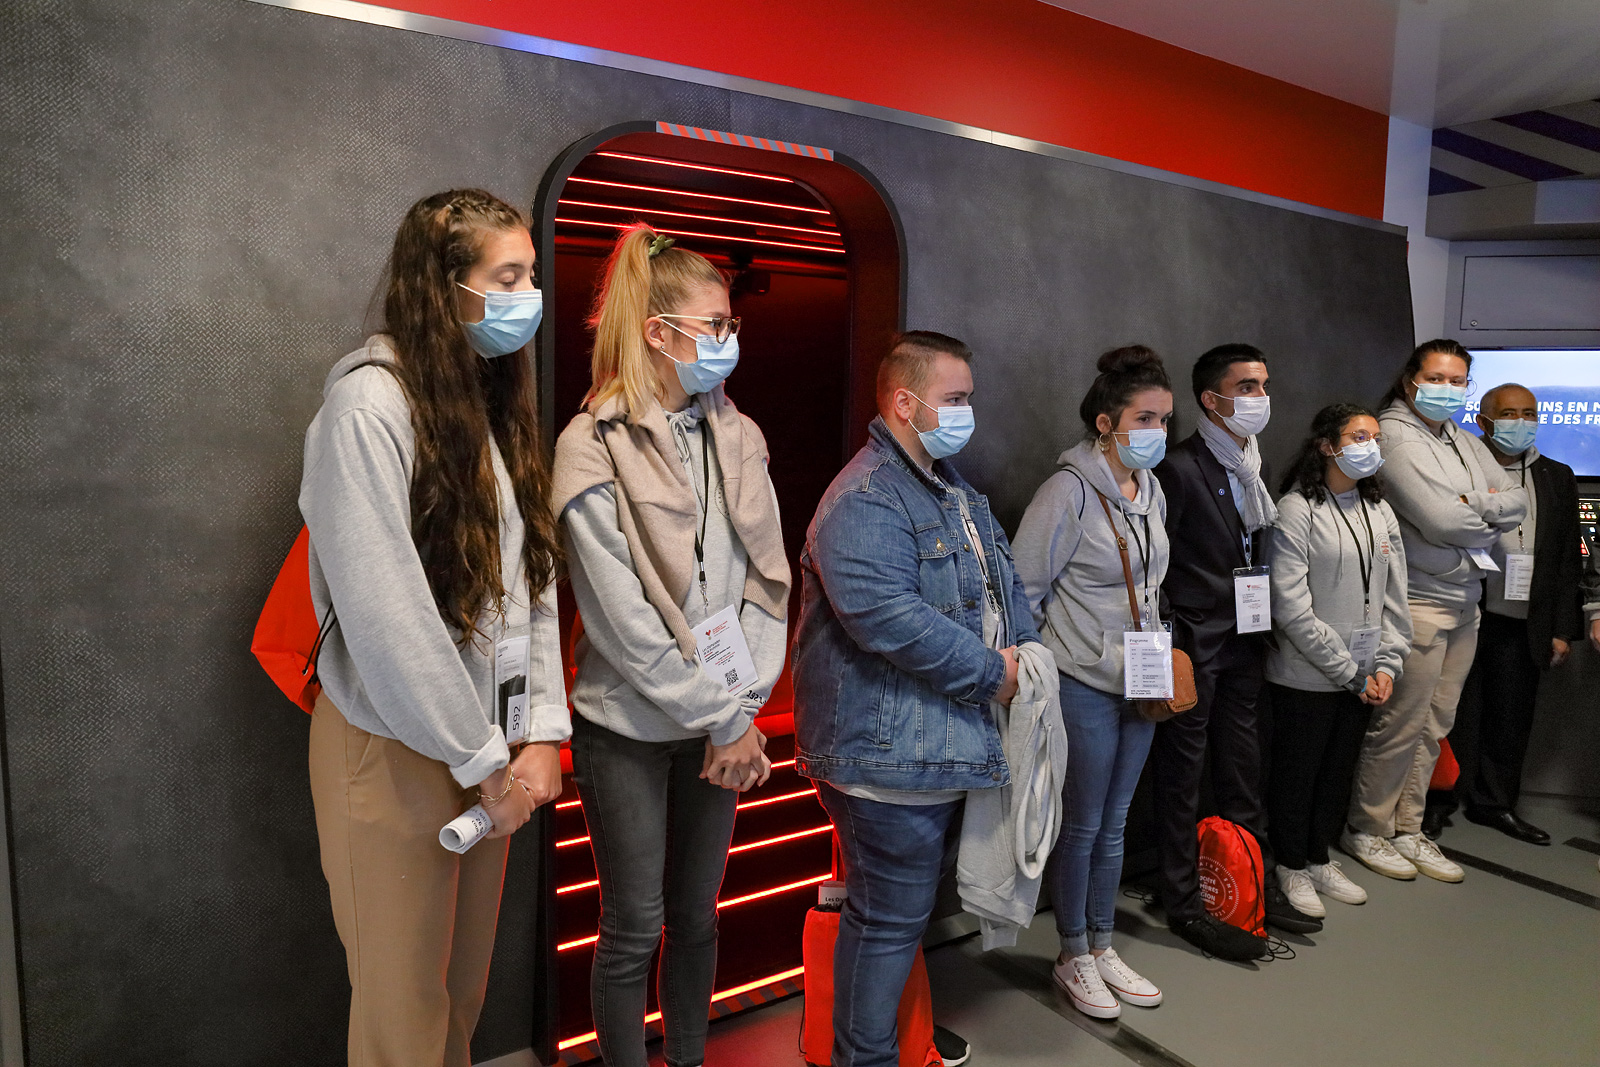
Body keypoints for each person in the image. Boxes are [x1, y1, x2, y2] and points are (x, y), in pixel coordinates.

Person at [301, 188, 568, 1066]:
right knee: (403, 1011)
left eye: (530, 275)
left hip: (485, 746)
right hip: (395, 744)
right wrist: (487, 761)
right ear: (443, 286)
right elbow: (389, 619)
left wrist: (540, 730)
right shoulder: (367, 409)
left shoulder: (485, 404)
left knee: (459, 995)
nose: (528, 296)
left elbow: (529, 581)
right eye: (508, 277)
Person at [550, 225, 790, 1067]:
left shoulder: (740, 434)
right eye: (715, 324)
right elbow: (623, 623)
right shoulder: (590, 443)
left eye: (730, 324)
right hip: (625, 727)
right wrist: (725, 718)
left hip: (720, 723)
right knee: (633, 926)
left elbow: (767, 579)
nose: (729, 339)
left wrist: (740, 709)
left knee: (696, 917)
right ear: (659, 332)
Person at [792, 331, 1038, 1067]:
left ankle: (883, 1047)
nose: (967, 413)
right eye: (954, 399)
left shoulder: (952, 488)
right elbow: (888, 619)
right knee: (887, 922)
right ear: (905, 402)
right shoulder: (866, 497)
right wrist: (994, 673)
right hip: (886, 756)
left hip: (937, 745)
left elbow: (1004, 585)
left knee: (897, 918)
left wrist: (1027, 653)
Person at [1013, 345, 1175, 1017]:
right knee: (1081, 824)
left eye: (1164, 419)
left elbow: (1150, 583)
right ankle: (1072, 952)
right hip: (1082, 682)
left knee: (1116, 822)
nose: (1158, 431)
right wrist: (1044, 665)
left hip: (1142, 678)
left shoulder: (1150, 488)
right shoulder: (1067, 491)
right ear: (1106, 423)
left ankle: (1102, 943)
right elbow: (1024, 589)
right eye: (1145, 419)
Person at [1151, 343, 1321, 957]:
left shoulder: (1251, 461)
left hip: (1246, 639)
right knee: (1182, 778)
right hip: (1195, 643)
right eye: (1247, 387)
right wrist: (1172, 641)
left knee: (1244, 768)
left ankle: (1254, 882)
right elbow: (1157, 565)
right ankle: (1183, 901)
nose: (1260, 398)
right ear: (1211, 398)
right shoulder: (1179, 468)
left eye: (1263, 385)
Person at [1342, 340, 1527, 882]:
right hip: (1418, 602)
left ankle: (1407, 826)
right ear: (1410, 382)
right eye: (1437, 378)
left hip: (1465, 599)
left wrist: (1475, 504)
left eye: (1457, 381)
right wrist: (1479, 512)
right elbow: (1442, 521)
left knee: (1435, 723)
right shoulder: (1395, 435)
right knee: (1400, 724)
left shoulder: (1460, 437)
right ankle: (1367, 828)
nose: (1448, 389)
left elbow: (1514, 498)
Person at [1264, 404, 1412, 920]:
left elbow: (1396, 597)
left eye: (1375, 437)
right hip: (1307, 676)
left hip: (1364, 676)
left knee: (1336, 774)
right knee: (1297, 775)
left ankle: (1318, 858)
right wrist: (1349, 672)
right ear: (1327, 446)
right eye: (1358, 436)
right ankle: (1290, 865)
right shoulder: (1296, 509)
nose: (1370, 445)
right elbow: (1290, 605)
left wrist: (1387, 665)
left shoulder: (1380, 510)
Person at [1422, 384, 1584, 845]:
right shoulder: (1461, 470)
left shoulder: (1557, 476)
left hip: (1526, 622)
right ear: (1483, 422)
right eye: (1509, 413)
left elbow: (1565, 559)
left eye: (1529, 413)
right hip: (1466, 613)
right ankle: (1436, 803)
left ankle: (1494, 804)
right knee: (1449, 715)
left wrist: (1561, 629)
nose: (1521, 422)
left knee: (1510, 720)